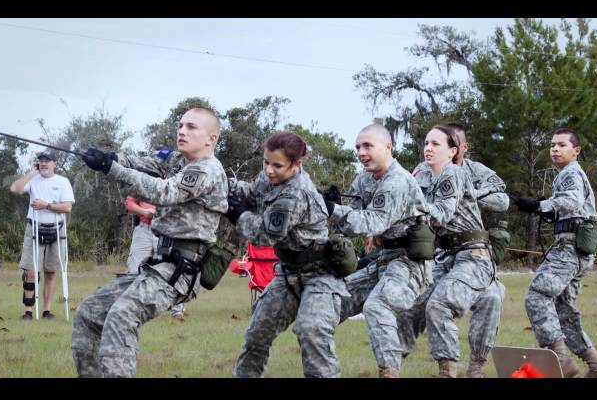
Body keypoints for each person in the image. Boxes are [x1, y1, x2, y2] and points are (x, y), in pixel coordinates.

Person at [71, 107, 228, 377]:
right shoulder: (179, 161)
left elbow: (164, 191)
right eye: (180, 125)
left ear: (211, 139)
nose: (182, 131)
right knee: (90, 312)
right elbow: (147, 163)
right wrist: (112, 157)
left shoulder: (206, 170)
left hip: (180, 269)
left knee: (123, 316)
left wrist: (112, 169)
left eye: (191, 127)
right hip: (158, 265)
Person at [231, 130, 351, 378]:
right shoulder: (270, 178)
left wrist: (237, 214)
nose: (269, 170)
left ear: (297, 164)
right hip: (287, 272)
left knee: (311, 330)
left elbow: (264, 236)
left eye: (277, 165)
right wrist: (223, 187)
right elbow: (254, 193)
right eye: (266, 162)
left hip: (321, 274)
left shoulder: (297, 193)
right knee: (257, 334)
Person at [326, 123, 430, 378]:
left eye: (368, 146)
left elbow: (371, 222)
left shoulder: (398, 181)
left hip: (409, 265)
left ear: (388, 147)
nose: (361, 152)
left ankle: (389, 373)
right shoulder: (364, 177)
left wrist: (330, 209)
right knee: (326, 304)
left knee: (377, 306)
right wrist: (330, 201)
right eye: (358, 147)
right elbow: (353, 214)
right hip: (382, 260)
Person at [514, 127, 597, 378]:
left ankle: (560, 359)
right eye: (552, 145)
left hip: (569, 249)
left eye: (561, 145)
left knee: (537, 296)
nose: (555, 149)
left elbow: (570, 201)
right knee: (564, 309)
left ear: (576, 150)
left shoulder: (570, 173)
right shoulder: (568, 174)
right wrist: (545, 210)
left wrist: (539, 205)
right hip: (578, 250)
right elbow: (572, 208)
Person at [411, 123, 508, 377]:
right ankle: (391, 365)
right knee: (416, 304)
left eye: (435, 144)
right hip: (445, 255)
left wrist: (472, 193)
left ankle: (459, 371)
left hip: (473, 254)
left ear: (457, 149)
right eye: (426, 143)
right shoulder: (421, 172)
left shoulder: (459, 173)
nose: (428, 148)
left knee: (445, 304)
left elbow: (501, 200)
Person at [10, 150, 74, 320]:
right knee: (30, 271)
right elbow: (15, 189)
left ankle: (47, 310)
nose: (44, 163)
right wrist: (31, 173)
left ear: (54, 163)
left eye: (47, 160)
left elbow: (67, 207)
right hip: (34, 227)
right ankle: (28, 311)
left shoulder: (63, 182)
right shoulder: (33, 180)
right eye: (41, 160)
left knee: (51, 271)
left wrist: (47, 205)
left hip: (57, 227)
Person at [124, 195, 186, 320]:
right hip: (144, 229)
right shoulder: (142, 179)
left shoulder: (172, 179)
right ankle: (129, 307)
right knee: (134, 268)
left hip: (166, 231)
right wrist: (144, 212)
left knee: (171, 269)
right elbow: (129, 204)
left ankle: (177, 310)